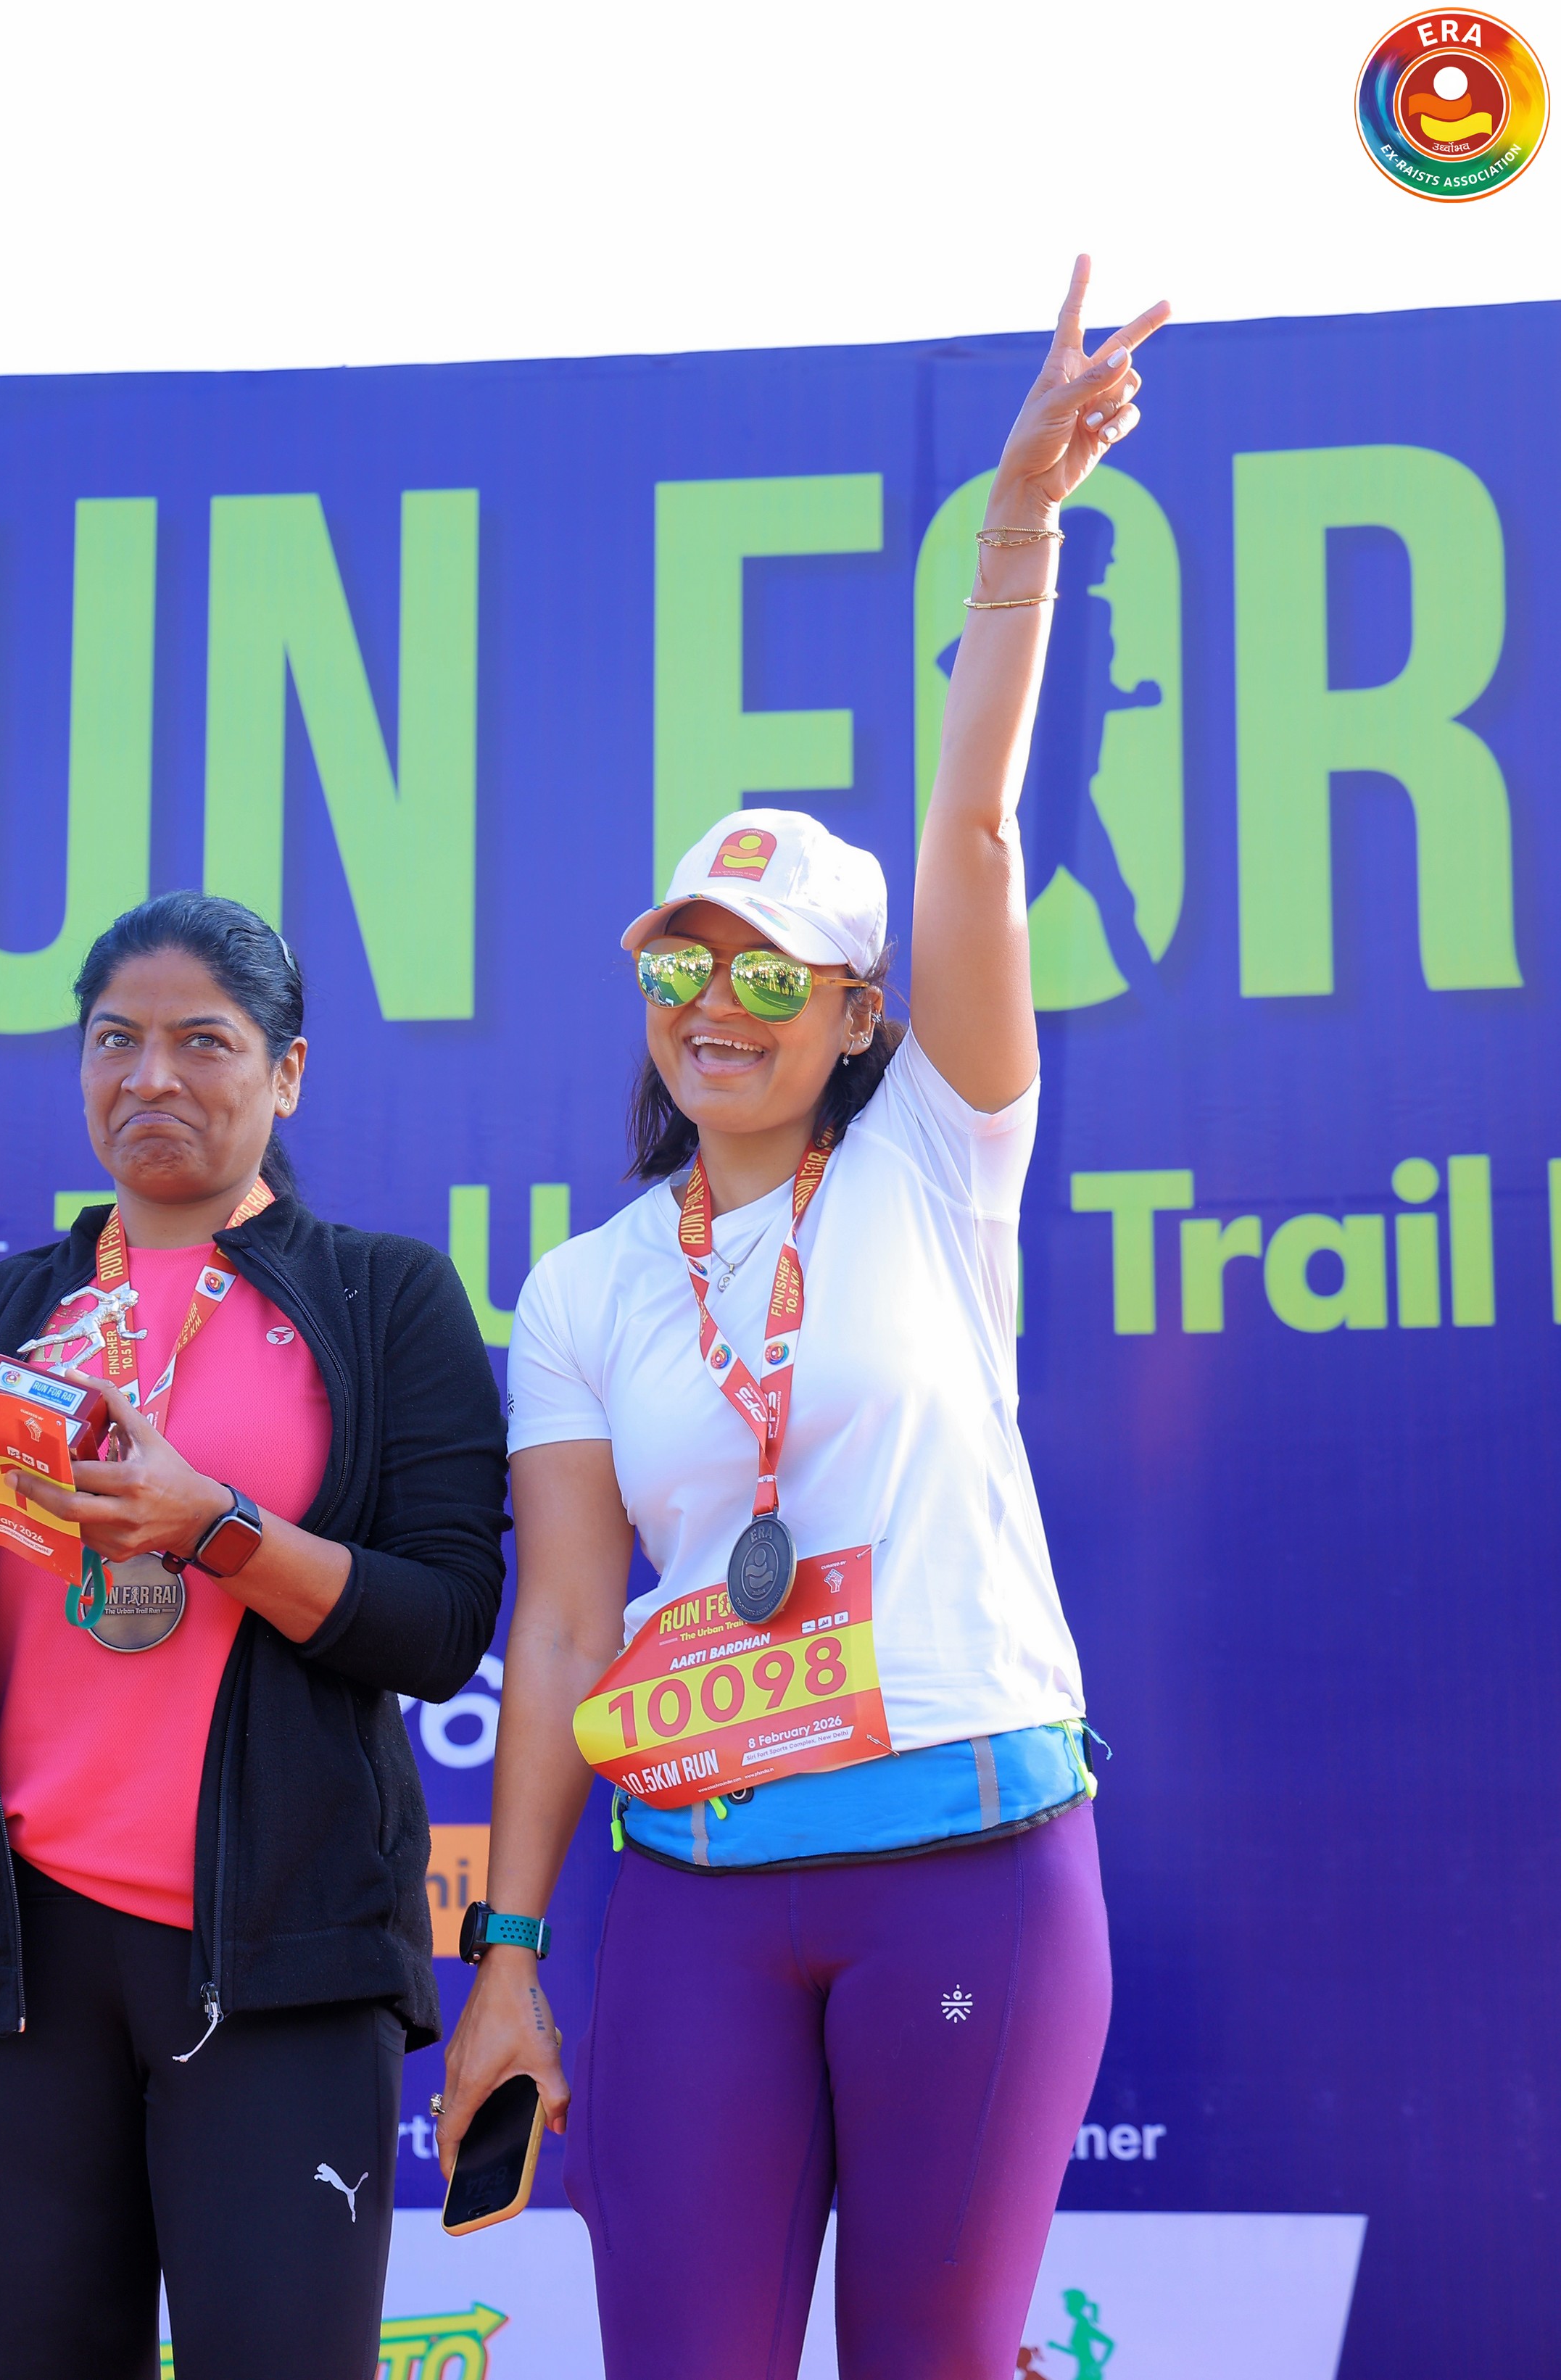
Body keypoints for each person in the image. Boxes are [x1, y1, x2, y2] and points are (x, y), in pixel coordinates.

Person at [440, 257, 1168, 2379]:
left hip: (969, 1856)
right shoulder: (583, 1284)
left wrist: (1017, 533)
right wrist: (507, 1953)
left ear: (855, 1012)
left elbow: (976, 828)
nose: (715, 1005)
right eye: (681, 965)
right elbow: (564, 1631)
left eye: (769, 972)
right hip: (690, 1877)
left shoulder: (940, 1155)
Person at [0, 893, 507, 2380]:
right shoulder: (1, 1316)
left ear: (288, 1072)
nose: (150, 1076)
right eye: (114, 1041)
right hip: (18, 1965)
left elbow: (442, 1623)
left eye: (203, 1041)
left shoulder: (383, 1298)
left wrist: (211, 1525)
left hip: (282, 1956)